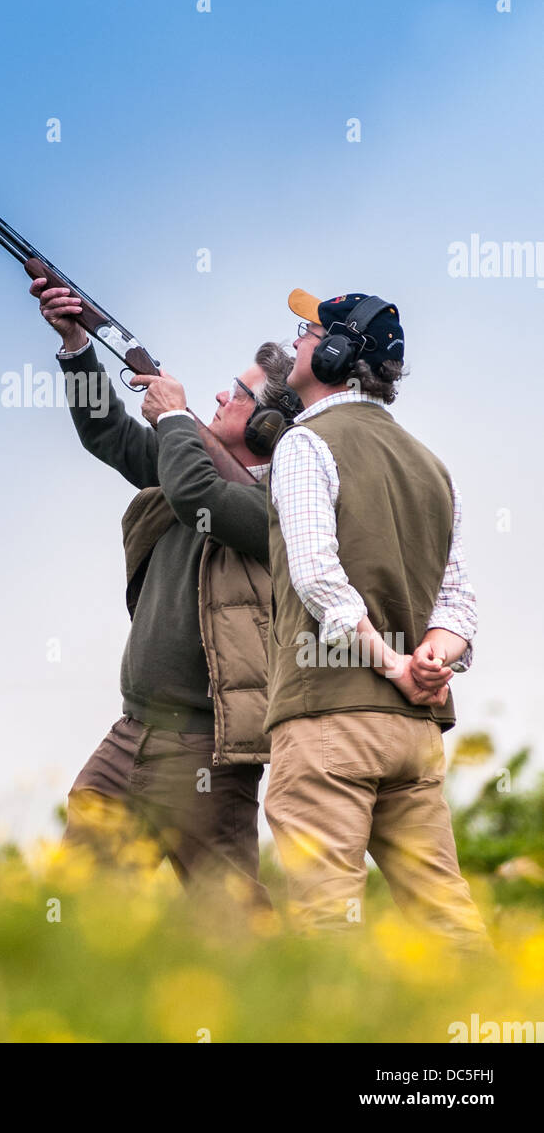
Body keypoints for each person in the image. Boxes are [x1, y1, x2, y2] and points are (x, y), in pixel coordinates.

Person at [30, 276, 295, 921]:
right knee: (78, 909)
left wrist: (176, 417)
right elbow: (110, 435)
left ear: (268, 420)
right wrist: (76, 347)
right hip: (132, 731)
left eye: (238, 392)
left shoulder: (284, 500)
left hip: (208, 748)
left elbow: (200, 493)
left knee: (233, 925)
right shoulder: (188, 462)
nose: (219, 396)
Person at [263, 287, 489, 950]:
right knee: (447, 919)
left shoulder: (304, 445)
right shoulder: (431, 466)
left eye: (306, 332)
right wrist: (429, 663)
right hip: (412, 737)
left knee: (325, 920)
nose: (296, 343)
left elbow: (317, 575)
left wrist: (391, 663)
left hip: (328, 720)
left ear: (334, 353)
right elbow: (460, 601)